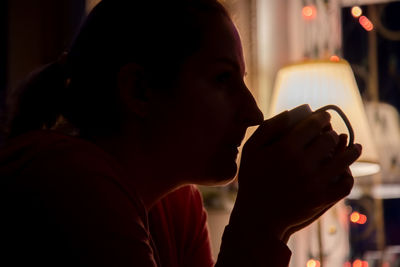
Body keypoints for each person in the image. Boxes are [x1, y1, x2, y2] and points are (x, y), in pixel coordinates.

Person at [0, 0, 362, 266]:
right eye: (223, 79)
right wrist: (260, 226)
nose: (253, 113)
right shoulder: (69, 180)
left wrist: (278, 226)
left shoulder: (177, 207)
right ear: (139, 90)